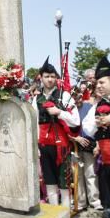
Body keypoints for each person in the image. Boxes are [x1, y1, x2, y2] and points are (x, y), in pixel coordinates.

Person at [33, 57, 80, 208]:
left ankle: (65, 217)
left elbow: (76, 121)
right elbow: (34, 125)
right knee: (50, 182)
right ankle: (54, 215)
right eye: (46, 76)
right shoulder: (36, 99)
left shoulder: (64, 96)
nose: (50, 79)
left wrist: (59, 112)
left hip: (62, 147)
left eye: (53, 76)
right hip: (44, 146)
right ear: (41, 78)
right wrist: (36, 147)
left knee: (64, 184)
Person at [82, 56, 110, 218]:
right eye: (98, 83)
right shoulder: (98, 105)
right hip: (107, 161)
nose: (98, 86)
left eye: (102, 82)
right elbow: (87, 127)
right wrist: (97, 122)